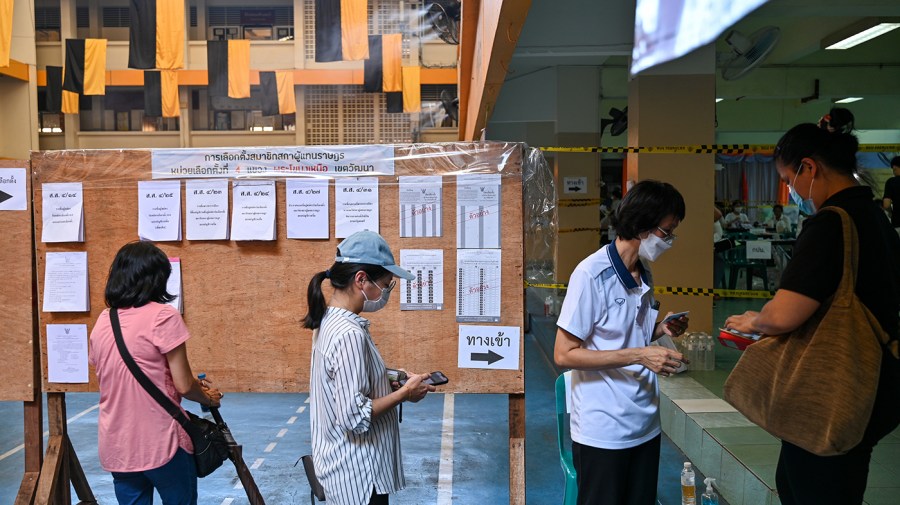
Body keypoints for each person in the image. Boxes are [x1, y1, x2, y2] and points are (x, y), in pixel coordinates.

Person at [725, 109, 900, 505]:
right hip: (877, 377)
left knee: (813, 488)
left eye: (789, 181)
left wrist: (757, 319)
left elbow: (785, 314)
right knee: (804, 479)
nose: (793, 192)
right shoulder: (873, 216)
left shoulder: (831, 224)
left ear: (809, 168)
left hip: (837, 387)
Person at [553, 180, 689, 505]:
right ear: (642, 226)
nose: (669, 241)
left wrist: (659, 330)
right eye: (666, 232)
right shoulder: (590, 275)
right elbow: (564, 353)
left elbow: (625, 334)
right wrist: (641, 355)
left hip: (645, 423)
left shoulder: (643, 272)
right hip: (604, 429)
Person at [304, 230, 435, 505]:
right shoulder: (349, 334)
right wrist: (404, 394)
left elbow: (343, 378)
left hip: (343, 471)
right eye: (386, 284)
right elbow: (354, 416)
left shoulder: (329, 321)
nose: (386, 292)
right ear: (361, 279)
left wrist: (392, 378)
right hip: (360, 478)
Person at [89, 241, 223, 505]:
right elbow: (184, 385)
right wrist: (208, 398)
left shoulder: (104, 321)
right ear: (158, 279)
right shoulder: (164, 316)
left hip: (117, 443)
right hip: (161, 441)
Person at [883, 156, 900, 236]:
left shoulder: (891, 182)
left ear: (895, 167)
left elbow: (886, 205)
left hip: (897, 223)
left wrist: (890, 213)